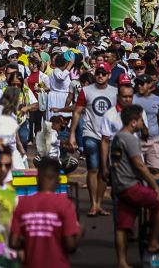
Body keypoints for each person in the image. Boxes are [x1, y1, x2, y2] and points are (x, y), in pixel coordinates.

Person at [109, 105, 159, 268]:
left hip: (120, 186)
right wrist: (155, 187)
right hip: (130, 186)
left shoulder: (117, 137)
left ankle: (122, 261)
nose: (144, 123)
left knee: (122, 226)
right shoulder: (129, 138)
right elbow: (140, 165)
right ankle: (154, 241)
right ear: (133, 122)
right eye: (142, 120)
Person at [10, 157, 81, 267]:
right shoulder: (65, 205)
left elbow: (13, 242)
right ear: (58, 180)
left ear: (37, 178)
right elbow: (70, 246)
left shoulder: (23, 205)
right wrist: (80, 232)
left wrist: (31, 240)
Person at [68, 62, 117, 217]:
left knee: (104, 170)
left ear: (109, 75)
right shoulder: (86, 91)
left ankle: (100, 202)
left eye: (104, 73)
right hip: (90, 134)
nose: (100, 76)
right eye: (98, 73)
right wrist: (72, 134)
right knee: (93, 168)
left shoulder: (115, 92)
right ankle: (93, 204)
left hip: (109, 136)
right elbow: (77, 112)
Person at [131, 74, 159, 173]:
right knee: (138, 172)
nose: (139, 86)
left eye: (142, 84)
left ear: (150, 84)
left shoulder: (158, 100)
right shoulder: (132, 99)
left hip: (154, 141)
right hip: (136, 141)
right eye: (137, 83)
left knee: (155, 170)